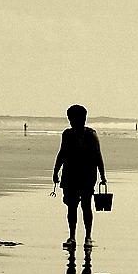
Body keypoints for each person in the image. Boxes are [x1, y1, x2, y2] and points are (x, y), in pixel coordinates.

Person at [53, 104, 107, 249]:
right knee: (71, 206)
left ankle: (88, 237)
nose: (73, 121)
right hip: (69, 174)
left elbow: (97, 155)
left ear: (84, 118)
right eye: (71, 119)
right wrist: (55, 171)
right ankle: (72, 237)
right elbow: (62, 153)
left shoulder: (91, 134)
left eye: (76, 118)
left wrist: (102, 175)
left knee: (86, 205)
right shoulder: (67, 134)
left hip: (87, 174)